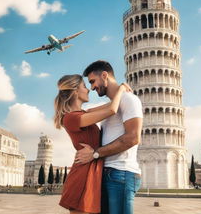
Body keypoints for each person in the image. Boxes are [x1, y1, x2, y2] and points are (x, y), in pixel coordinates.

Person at [75, 60, 143, 214]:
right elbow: (85, 114)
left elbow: (133, 137)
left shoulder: (129, 100)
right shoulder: (113, 104)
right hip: (109, 174)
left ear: (104, 76)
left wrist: (95, 154)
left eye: (92, 81)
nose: (92, 87)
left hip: (121, 173)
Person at [54, 74, 128, 214]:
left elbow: (111, 106)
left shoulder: (82, 114)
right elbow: (112, 110)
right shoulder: (70, 118)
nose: (88, 90)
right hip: (83, 175)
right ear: (75, 91)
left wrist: (124, 96)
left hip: (92, 171)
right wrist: (121, 89)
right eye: (84, 86)